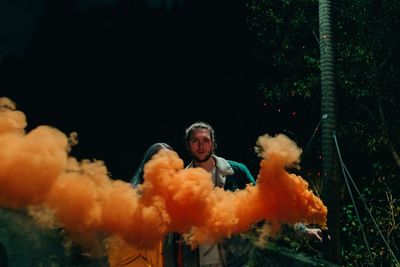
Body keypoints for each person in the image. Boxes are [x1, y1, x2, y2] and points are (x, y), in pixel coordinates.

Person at [165, 121, 323, 267]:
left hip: (233, 259)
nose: (201, 145)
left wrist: (302, 231)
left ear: (213, 144)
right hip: (195, 260)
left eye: (205, 140)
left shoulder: (236, 172)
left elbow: (266, 206)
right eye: (195, 141)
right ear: (188, 145)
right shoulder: (180, 181)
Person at [107, 142, 173, 267]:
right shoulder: (132, 201)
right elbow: (123, 257)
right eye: (162, 163)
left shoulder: (169, 205)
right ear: (148, 166)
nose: (168, 169)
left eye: (171, 164)